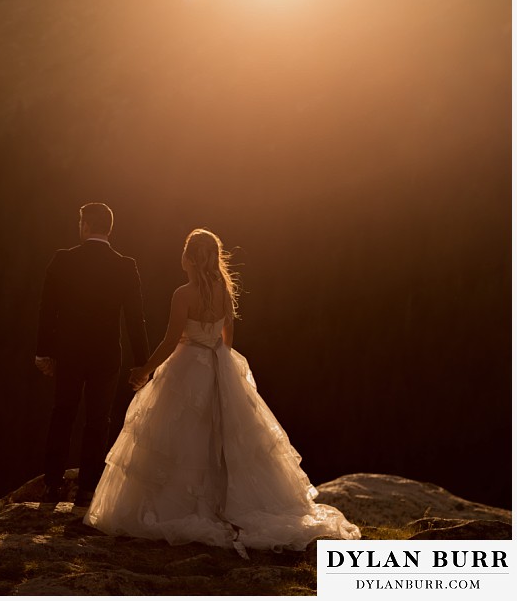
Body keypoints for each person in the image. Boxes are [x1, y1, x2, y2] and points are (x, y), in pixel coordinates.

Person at [84, 228, 360, 555]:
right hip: (219, 365)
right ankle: (228, 504)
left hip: (188, 366)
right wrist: (222, 370)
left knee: (182, 438)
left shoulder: (182, 294)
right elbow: (228, 340)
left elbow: (172, 341)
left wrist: (144, 370)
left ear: (187, 257)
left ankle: (184, 507)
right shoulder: (224, 292)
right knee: (224, 439)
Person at [36, 203, 149, 507]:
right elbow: (135, 318)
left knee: (63, 414)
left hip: (69, 352)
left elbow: (48, 310)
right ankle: (87, 490)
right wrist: (143, 362)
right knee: (98, 420)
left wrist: (44, 352)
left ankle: (52, 486)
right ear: (108, 229)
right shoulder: (125, 265)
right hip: (106, 354)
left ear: (85, 225)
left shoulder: (63, 260)